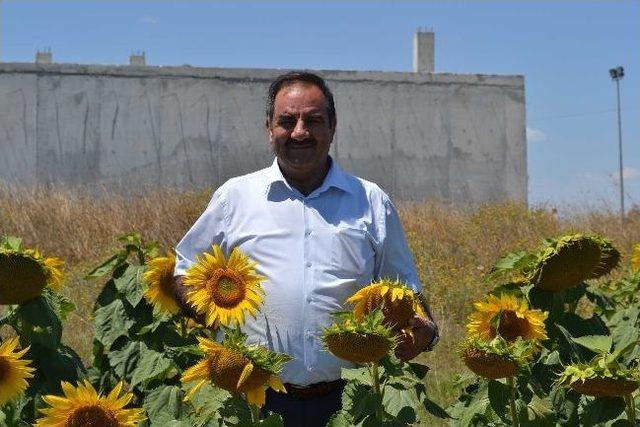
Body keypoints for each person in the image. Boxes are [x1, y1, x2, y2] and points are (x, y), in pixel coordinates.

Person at [172, 71, 439, 426]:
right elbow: (184, 270)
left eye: (313, 120)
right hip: (252, 401)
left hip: (350, 403)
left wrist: (425, 331)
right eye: (287, 121)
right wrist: (215, 310)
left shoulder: (370, 201)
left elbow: (404, 287)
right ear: (269, 128)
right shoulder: (235, 198)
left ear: (332, 126)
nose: (300, 131)